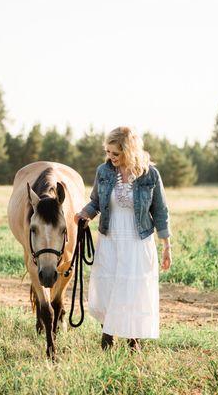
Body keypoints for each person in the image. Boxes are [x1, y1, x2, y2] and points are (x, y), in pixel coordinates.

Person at [74, 126, 172, 351]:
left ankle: (133, 340)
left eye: (115, 153)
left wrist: (167, 245)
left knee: (134, 290)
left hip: (138, 240)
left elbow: (160, 211)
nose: (111, 157)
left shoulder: (150, 175)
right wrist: (84, 214)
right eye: (108, 152)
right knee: (109, 287)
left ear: (129, 150)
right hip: (110, 238)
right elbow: (96, 202)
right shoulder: (104, 171)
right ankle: (107, 336)